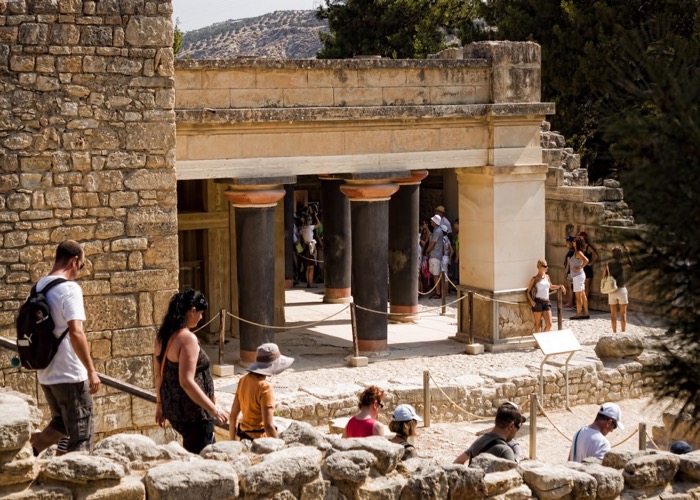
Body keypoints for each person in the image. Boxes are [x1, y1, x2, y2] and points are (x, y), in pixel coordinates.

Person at [29, 240, 100, 456]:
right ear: (74, 261)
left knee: (61, 424)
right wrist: (91, 370)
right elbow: (76, 332)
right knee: (81, 437)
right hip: (70, 374)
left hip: (46, 373)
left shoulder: (37, 288)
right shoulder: (69, 289)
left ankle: (28, 452)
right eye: (82, 265)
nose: (80, 270)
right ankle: (71, 485)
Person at [155, 290, 227, 454]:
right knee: (205, 459)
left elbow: (159, 374)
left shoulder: (162, 336)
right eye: (200, 313)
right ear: (192, 310)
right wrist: (214, 410)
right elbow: (186, 381)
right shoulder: (187, 339)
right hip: (194, 414)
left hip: (173, 408)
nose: (201, 318)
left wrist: (160, 405)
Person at [229, 343, 294, 441]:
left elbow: (233, 416)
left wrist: (232, 441)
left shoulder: (243, 380)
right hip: (260, 440)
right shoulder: (265, 387)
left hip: (244, 437)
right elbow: (268, 426)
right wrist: (279, 446)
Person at [453, 402, 526, 464]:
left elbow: (457, 462)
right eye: (518, 426)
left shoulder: (479, 441)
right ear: (511, 426)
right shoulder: (505, 451)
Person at [526, 259, 566, 332]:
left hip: (547, 302)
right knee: (538, 324)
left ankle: (543, 338)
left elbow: (551, 286)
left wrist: (560, 286)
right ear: (540, 267)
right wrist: (531, 301)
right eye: (545, 266)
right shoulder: (535, 279)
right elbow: (528, 292)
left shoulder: (547, 277)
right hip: (538, 302)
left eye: (547, 265)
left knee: (549, 324)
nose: (547, 267)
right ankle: (539, 341)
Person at [602, 246, 632, 333]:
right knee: (623, 313)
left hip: (612, 290)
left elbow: (603, 276)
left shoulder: (608, 265)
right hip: (621, 289)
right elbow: (631, 265)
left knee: (613, 314)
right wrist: (628, 254)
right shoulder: (622, 264)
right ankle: (623, 332)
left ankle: (614, 332)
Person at [566, 237, 590, 320]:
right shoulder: (576, 252)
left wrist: (580, 267)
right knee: (583, 295)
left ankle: (578, 314)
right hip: (578, 276)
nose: (573, 242)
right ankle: (586, 313)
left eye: (574, 241)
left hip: (578, 276)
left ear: (577, 243)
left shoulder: (579, 252)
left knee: (578, 296)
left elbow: (586, 260)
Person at [424, 215, 444, 299]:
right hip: (436, 255)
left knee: (436, 275)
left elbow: (432, 244)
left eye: (432, 220)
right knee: (435, 274)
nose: (431, 221)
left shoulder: (437, 231)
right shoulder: (437, 230)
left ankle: (438, 293)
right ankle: (437, 291)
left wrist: (426, 251)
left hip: (435, 255)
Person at [301, 210, 320, 288]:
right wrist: (316, 216)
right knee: (311, 267)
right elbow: (318, 224)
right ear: (307, 221)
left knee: (308, 267)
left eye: (311, 219)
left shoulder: (303, 228)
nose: (311, 221)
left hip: (306, 247)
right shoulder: (309, 227)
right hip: (310, 247)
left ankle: (308, 283)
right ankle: (310, 284)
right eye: (309, 219)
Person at [578, 232, 599, 302]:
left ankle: (584, 303)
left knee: (585, 286)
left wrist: (591, 263)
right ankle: (581, 303)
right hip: (581, 268)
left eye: (580, 237)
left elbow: (595, 255)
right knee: (581, 286)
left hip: (587, 269)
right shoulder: (579, 247)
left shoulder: (588, 247)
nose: (579, 238)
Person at [563, 236, 576, 308]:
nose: (566, 244)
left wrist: (565, 274)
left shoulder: (570, 253)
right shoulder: (575, 251)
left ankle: (570, 302)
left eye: (568, 243)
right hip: (574, 272)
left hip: (570, 272)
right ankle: (571, 301)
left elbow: (568, 264)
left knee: (569, 287)